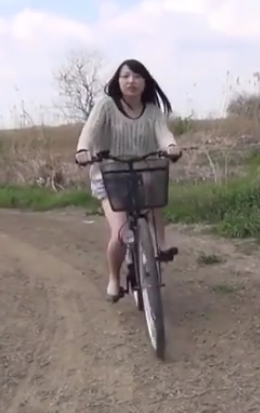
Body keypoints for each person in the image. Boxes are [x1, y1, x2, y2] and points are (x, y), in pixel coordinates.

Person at [75, 58, 181, 303]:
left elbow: (164, 134)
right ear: (118, 81)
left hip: (141, 170)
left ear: (145, 81)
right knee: (121, 232)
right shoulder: (106, 106)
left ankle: (161, 244)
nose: (131, 81)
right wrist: (82, 150)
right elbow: (89, 133)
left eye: (137, 76)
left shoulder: (152, 110)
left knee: (155, 192)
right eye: (125, 76)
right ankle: (114, 279)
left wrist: (171, 147)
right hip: (110, 174)